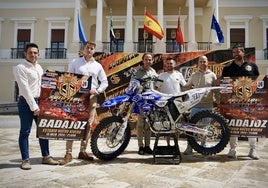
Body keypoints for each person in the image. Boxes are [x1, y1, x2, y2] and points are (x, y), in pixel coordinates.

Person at [59, 41, 108, 165]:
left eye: (92, 48)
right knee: (72, 124)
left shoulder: (97, 66)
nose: (89, 50)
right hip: (76, 99)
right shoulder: (75, 62)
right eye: (88, 48)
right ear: (84, 49)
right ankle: (68, 153)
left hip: (91, 98)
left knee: (88, 124)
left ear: (94, 51)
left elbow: (104, 82)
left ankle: (83, 151)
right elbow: (68, 77)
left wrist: (97, 91)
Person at [13, 43, 59, 170]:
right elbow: (25, 88)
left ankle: (46, 156)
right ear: (25, 54)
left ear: (38, 54)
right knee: (25, 132)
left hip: (40, 102)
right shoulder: (20, 68)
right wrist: (34, 107)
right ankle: (25, 160)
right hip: (26, 103)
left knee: (43, 131)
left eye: (35, 53)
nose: (33, 55)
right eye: (30, 52)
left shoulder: (39, 67)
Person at [222, 45, 260, 160]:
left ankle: (253, 150)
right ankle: (233, 149)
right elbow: (224, 84)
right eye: (233, 52)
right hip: (233, 101)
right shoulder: (228, 68)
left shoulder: (252, 66)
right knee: (233, 125)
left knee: (251, 125)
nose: (236, 54)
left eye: (238, 51)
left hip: (249, 101)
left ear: (243, 53)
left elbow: (258, 82)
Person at [183, 55, 217, 155]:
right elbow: (187, 86)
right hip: (195, 106)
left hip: (208, 105)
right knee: (191, 127)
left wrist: (218, 101)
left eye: (204, 61)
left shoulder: (212, 75)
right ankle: (189, 146)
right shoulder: (194, 75)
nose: (202, 63)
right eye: (200, 62)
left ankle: (204, 144)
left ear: (207, 63)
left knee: (205, 127)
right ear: (198, 63)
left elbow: (216, 90)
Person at [155, 57, 187, 146]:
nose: (169, 65)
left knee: (177, 125)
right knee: (167, 124)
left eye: (171, 63)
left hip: (177, 103)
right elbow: (157, 88)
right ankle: (168, 144)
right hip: (165, 103)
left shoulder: (179, 75)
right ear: (166, 64)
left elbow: (185, 86)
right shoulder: (162, 75)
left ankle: (176, 144)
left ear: (174, 64)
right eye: (168, 63)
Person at [133, 52, 158, 155]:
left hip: (151, 102)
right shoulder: (138, 72)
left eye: (150, 59)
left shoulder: (153, 71)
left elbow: (156, 85)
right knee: (140, 124)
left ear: (152, 61)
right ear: (143, 60)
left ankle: (147, 146)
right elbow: (133, 84)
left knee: (148, 125)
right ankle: (140, 146)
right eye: (146, 59)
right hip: (141, 101)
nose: (148, 61)